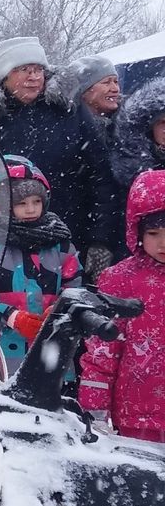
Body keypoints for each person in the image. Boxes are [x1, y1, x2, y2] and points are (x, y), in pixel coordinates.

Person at [0, 37, 118, 278]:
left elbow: (100, 177)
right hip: (9, 244)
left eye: (38, 69)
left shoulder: (69, 110)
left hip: (70, 236)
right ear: (5, 76)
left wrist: (101, 240)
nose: (33, 77)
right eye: (23, 70)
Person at [79, 169, 165, 443]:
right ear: (137, 231)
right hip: (136, 416)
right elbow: (102, 350)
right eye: (153, 232)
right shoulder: (120, 280)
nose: (163, 243)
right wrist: (95, 409)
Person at [0, 157, 82, 375]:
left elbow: (74, 284)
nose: (30, 209)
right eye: (21, 203)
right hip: (1, 350)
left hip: (51, 346)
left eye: (36, 201)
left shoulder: (60, 243)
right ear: (4, 205)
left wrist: (59, 309)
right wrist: (10, 316)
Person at [67, 54, 120, 139]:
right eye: (106, 82)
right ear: (84, 91)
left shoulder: (128, 125)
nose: (115, 89)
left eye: (116, 81)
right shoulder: (69, 133)